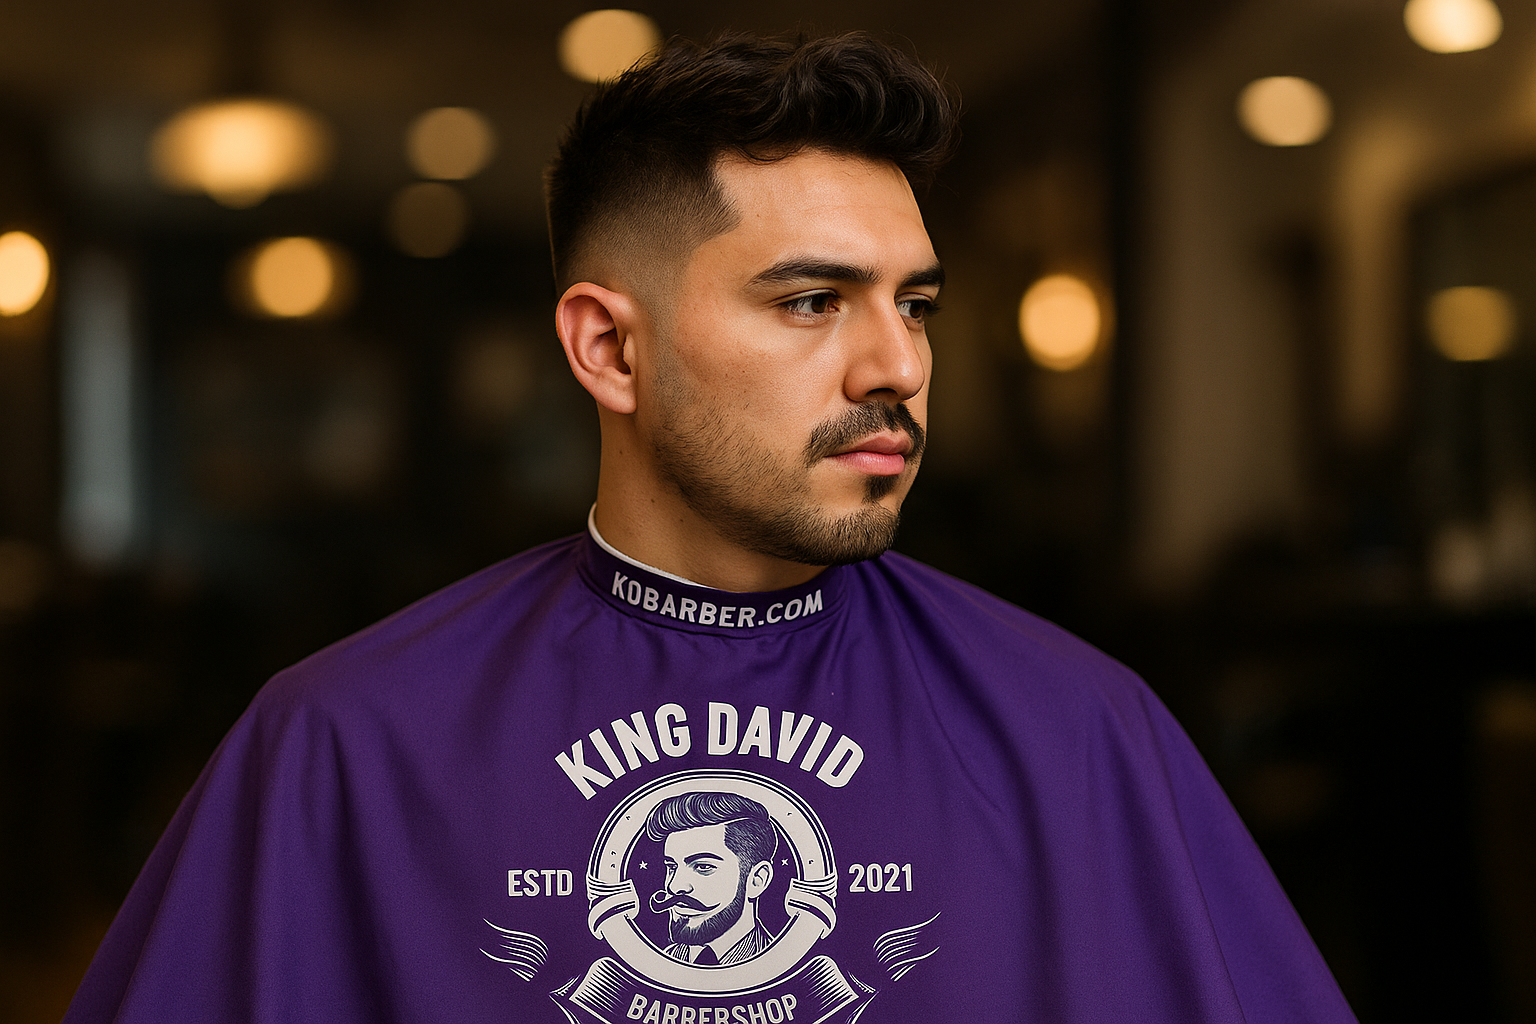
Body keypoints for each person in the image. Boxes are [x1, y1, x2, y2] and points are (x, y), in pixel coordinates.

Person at [66, 31, 1357, 1024]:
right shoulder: (342, 744)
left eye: (917, 303)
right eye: (811, 301)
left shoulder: (1083, 729)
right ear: (609, 348)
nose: (895, 365)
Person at [645, 792, 780, 966]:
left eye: (703, 867)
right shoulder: (657, 966)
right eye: (672, 867)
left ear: (757, 880)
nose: (674, 886)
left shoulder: (779, 965)